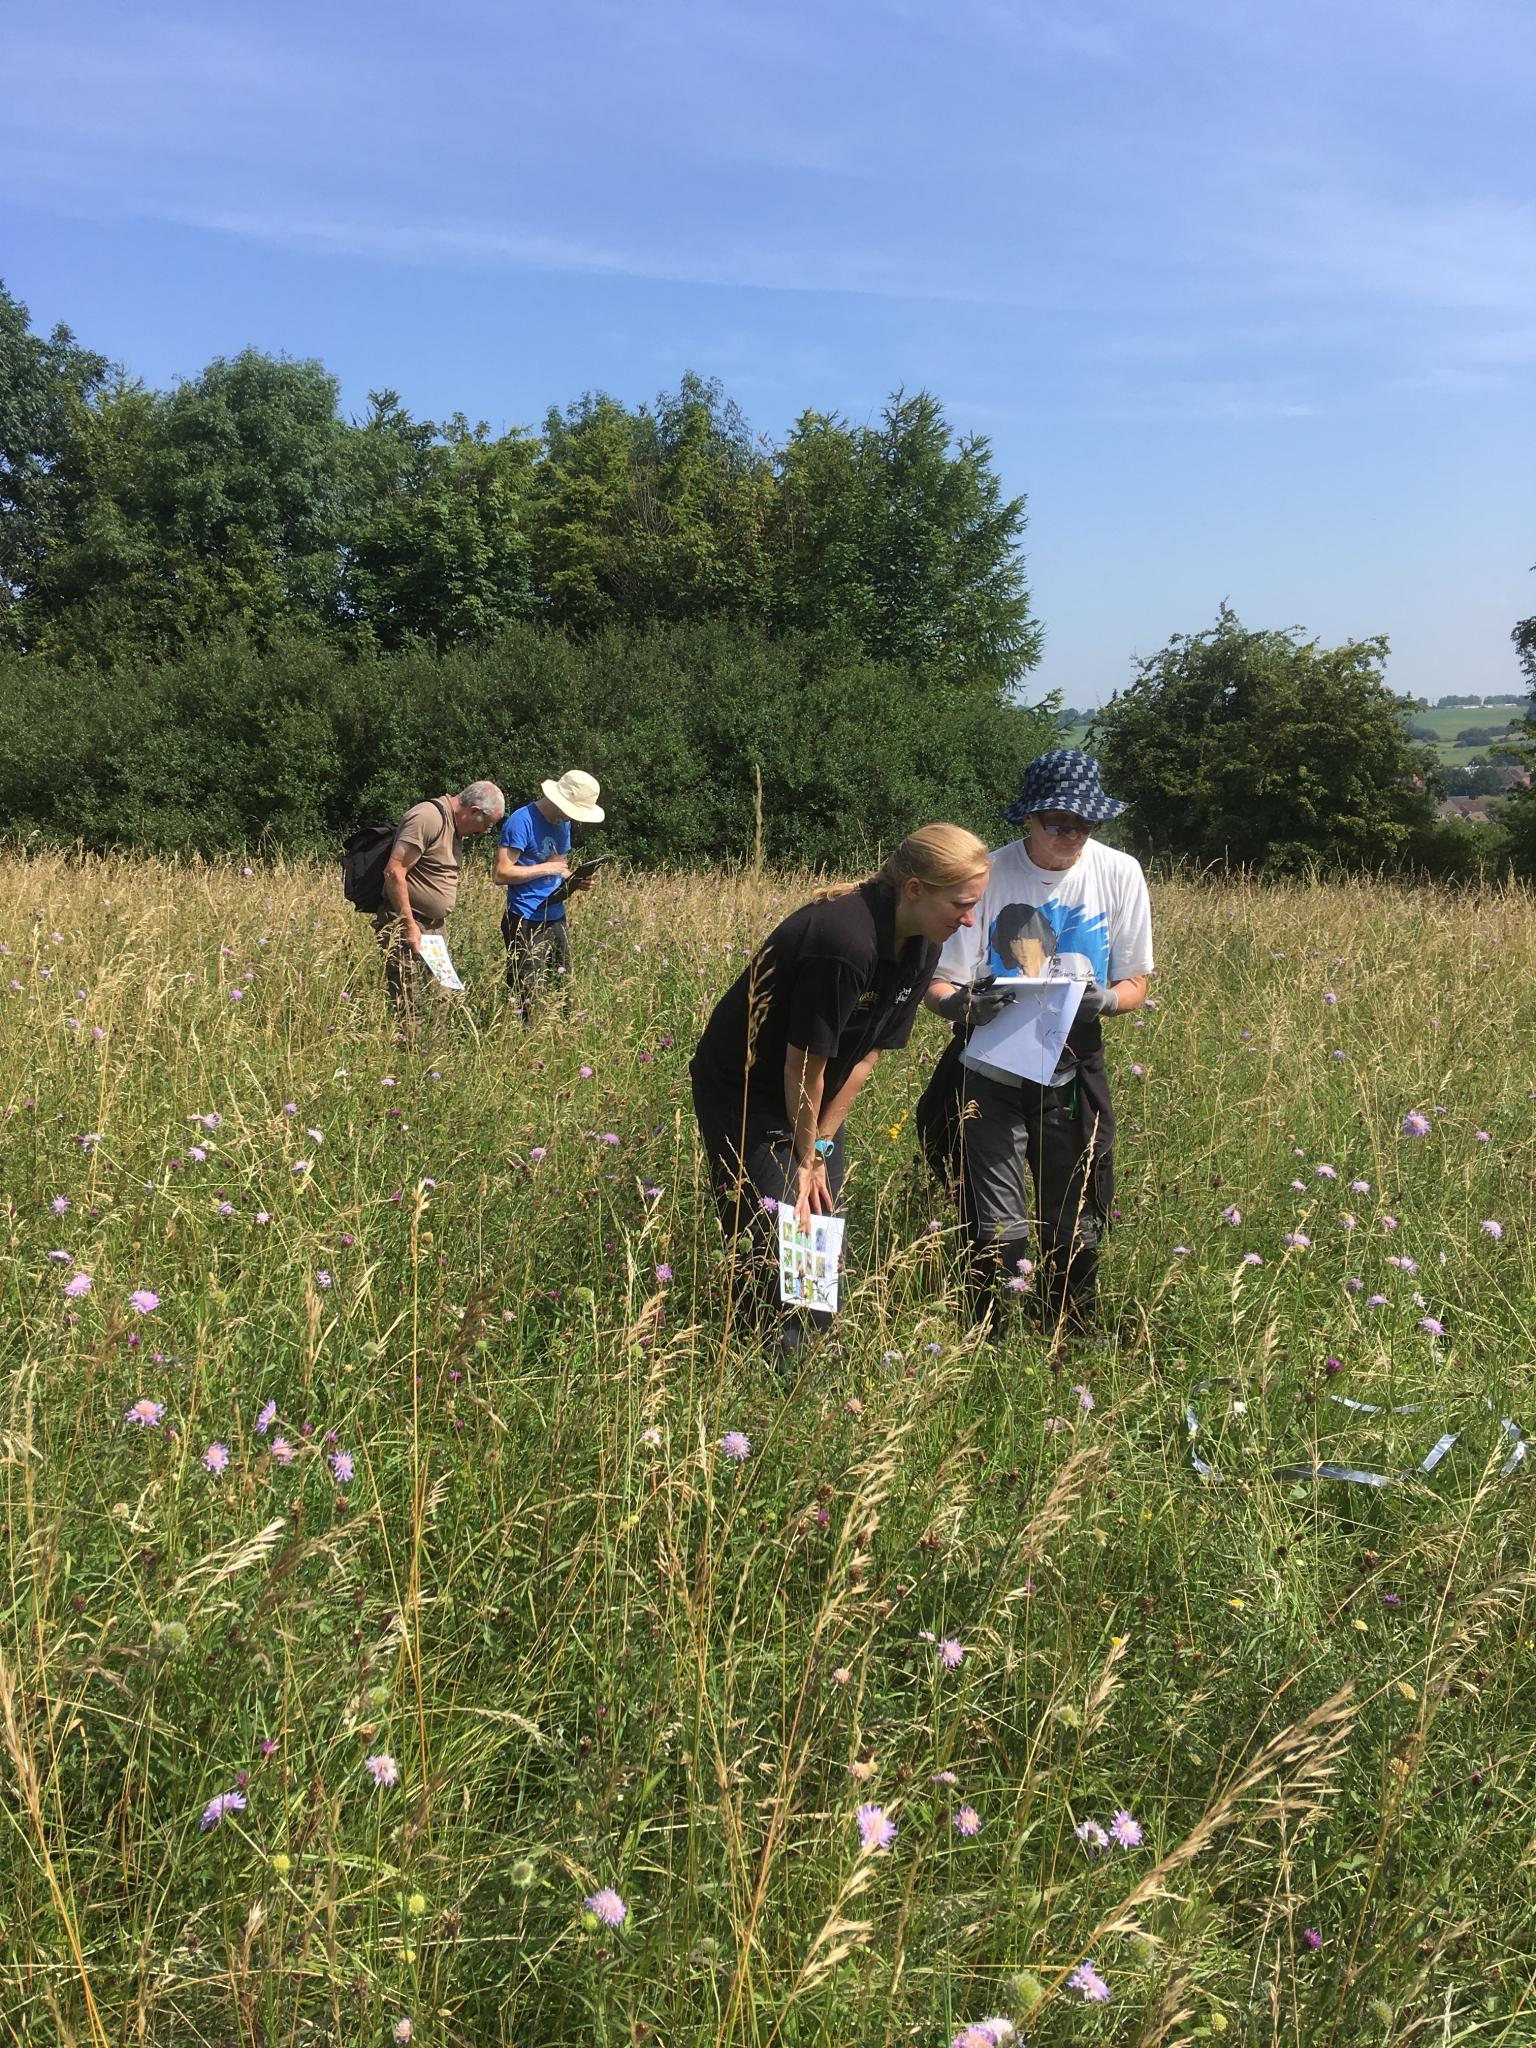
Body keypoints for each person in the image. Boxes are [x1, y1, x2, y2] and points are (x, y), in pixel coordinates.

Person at [690, 825, 991, 1356]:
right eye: (961, 904)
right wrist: (803, 1158)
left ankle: (797, 1362)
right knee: (779, 1233)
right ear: (916, 889)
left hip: (815, 1095)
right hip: (746, 1088)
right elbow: (800, 1066)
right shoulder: (845, 941)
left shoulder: (923, 946)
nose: (969, 919)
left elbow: (865, 1056)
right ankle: (763, 1366)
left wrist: (820, 1150)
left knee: (817, 1233)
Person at [915, 750, 1153, 1337]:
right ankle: (991, 1333)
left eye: (1086, 824)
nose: (1072, 835)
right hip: (990, 1070)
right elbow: (938, 981)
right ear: (1028, 819)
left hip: (1074, 1068)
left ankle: (1070, 1327)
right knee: (997, 1218)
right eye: (1058, 823)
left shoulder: (1120, 873)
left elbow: (1137, 981)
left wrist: (1109, 1001)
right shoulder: (988, 876)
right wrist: (959, 1006)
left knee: (1075, 1211)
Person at [377, 780, 506, 1019]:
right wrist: (409, 926)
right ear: (474, 811)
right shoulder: (427, 817)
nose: (483, 832)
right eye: (486, 826)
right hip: (409, 922)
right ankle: (409, 1051)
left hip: (434, 928)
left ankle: (434, 1050)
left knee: (441, 996)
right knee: (408, 999)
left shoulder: (455, 826)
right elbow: (394, 872)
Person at [494, 770, 606, 1013]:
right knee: (526, 989)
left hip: (555, 914)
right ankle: (522, 1037)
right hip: (525, 918)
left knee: (561, 983)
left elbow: (559, 868)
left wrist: (576, 880)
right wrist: (544, 868)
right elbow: (501, 873)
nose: (573, 818)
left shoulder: (563, 823)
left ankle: (562, 1035)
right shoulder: (521, 821)